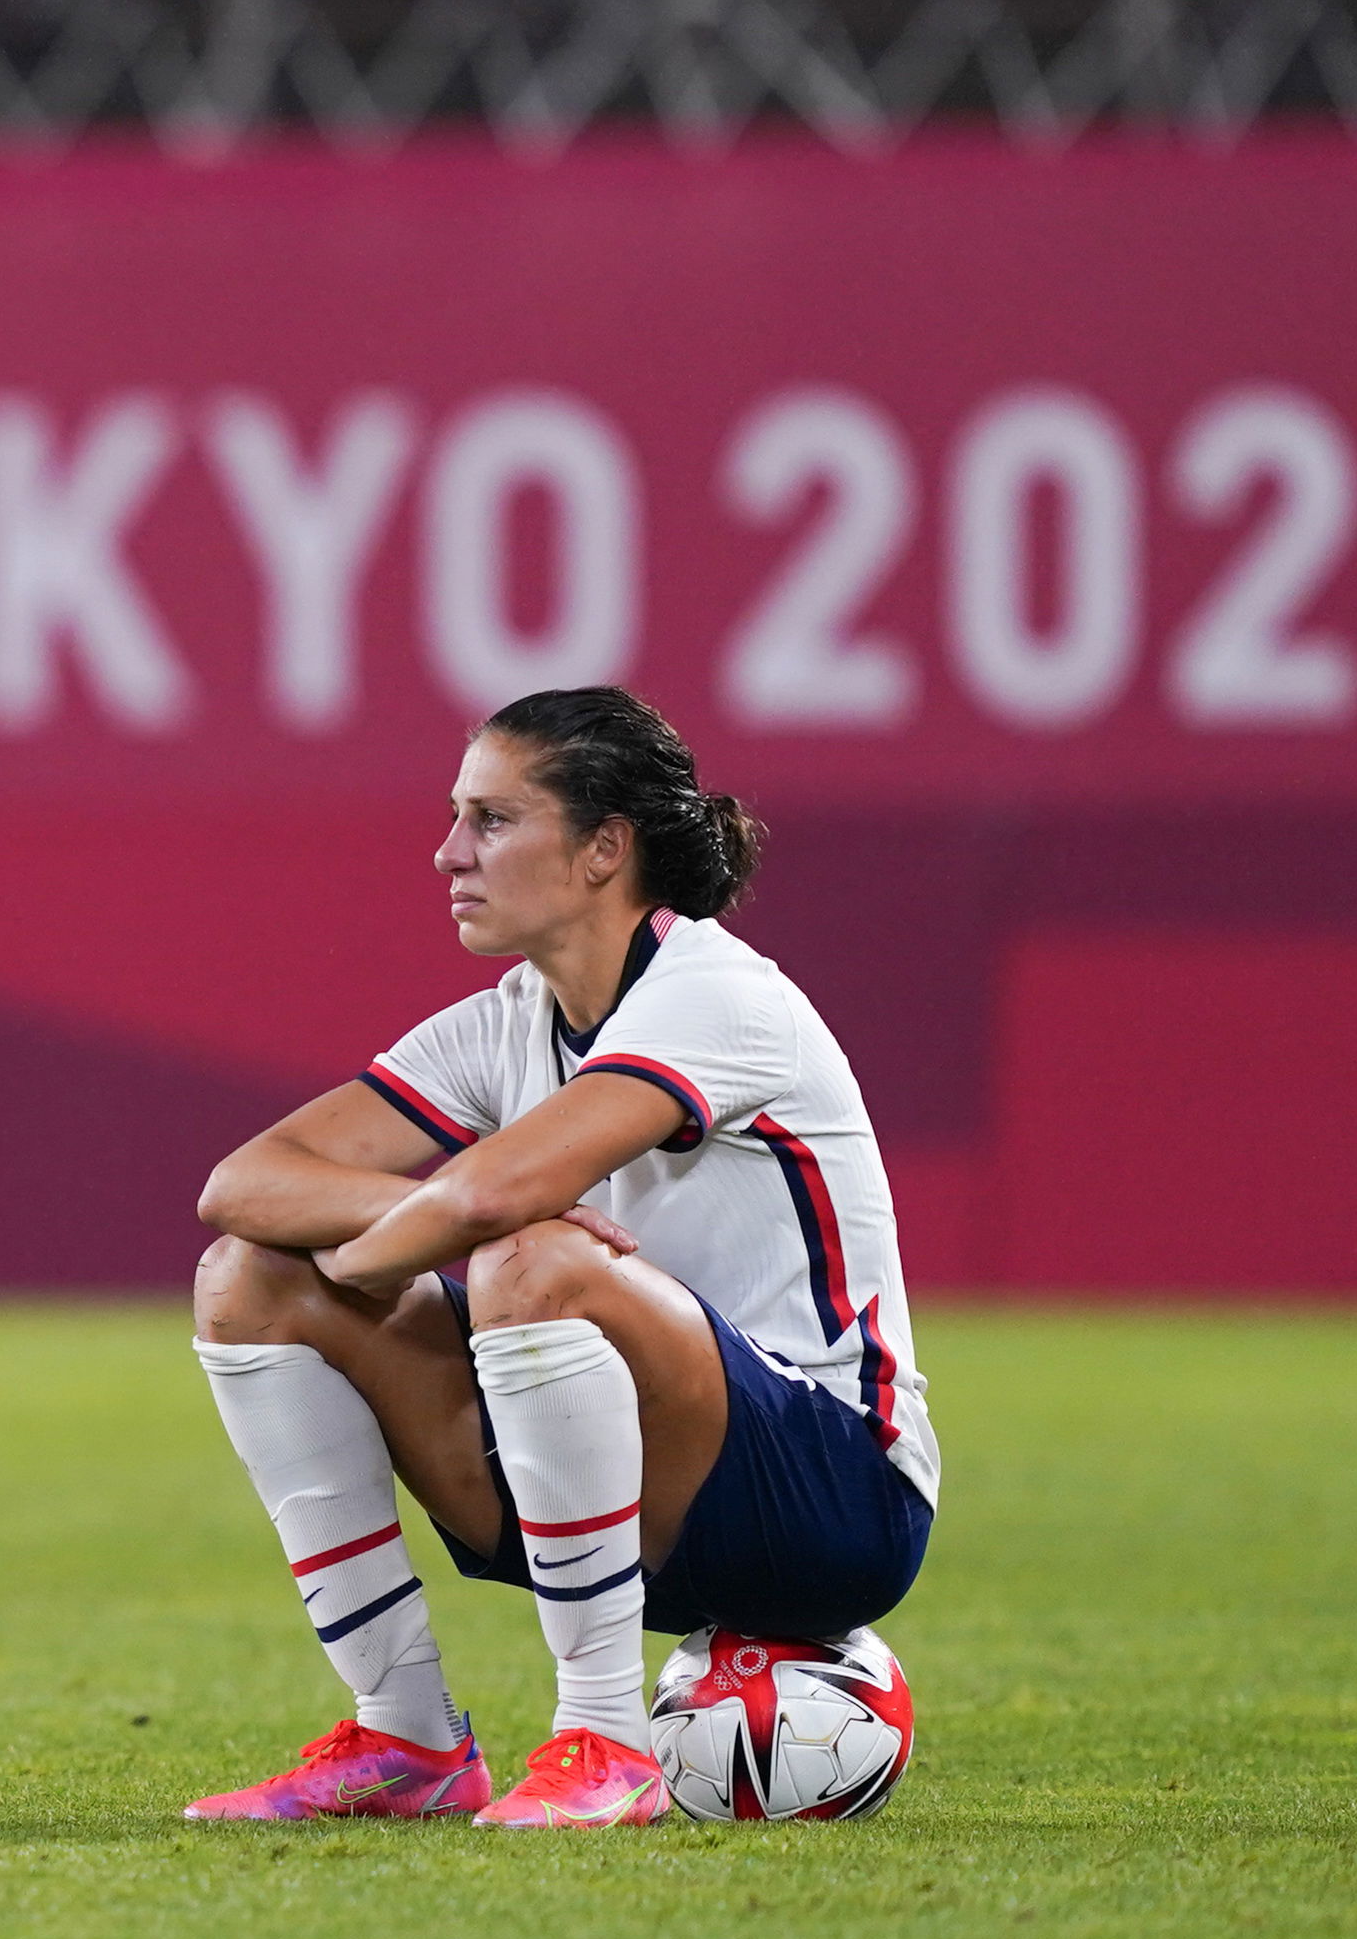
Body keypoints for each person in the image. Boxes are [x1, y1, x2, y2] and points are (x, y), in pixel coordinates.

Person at [176, 685, 938, 1829]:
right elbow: (243, 1183)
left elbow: (501, 1191)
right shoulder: (509, 1019)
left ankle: (605, 1740)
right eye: (455, 817)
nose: (446, 852)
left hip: (834, 1502)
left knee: (530, 1258)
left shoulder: (718, 994)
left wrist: (399, 1249)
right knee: (249, 1276)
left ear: (602, 849)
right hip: (626, 1488)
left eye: (490, 819)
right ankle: (406, 1735)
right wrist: (410, 1238)